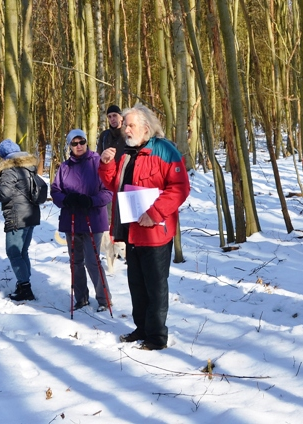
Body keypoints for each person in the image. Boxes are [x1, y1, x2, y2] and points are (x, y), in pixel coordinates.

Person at [99, 104, 189, 351]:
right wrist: (106, 164)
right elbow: (112, 184)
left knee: (156, 285)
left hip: (156, 231)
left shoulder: (165, 150)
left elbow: (180, 188)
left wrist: (155, 212)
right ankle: (141, 328)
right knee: (136, 284)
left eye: (130, 125)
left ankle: (157, 336)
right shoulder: (125, 153)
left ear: (146, 128)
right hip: (131, 230)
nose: (125, 129)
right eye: (125, 124)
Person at [51, 129, 113, 312]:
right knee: (75, 261)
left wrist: (91, 201)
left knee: (92, 261)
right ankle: (81, 297)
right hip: (71, 219)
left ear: (87, 142)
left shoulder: (98, 163)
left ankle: (104, 299)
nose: (79, 146)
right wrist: (65, 200)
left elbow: (108, 191)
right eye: (74, 143)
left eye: (82, 142)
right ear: (69, 146)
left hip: (92, 219)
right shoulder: (64, 167)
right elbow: (55, 191)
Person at [0, 139, 41, 301]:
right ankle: (23, 283)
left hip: (16, 216)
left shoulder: (9, 170)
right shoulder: (29, 168)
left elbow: (4, 193)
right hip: (31, 215)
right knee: (22, 251)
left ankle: (25, 287)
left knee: (13, 252)